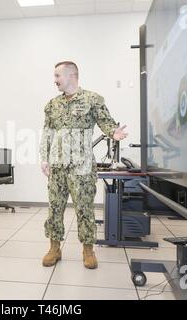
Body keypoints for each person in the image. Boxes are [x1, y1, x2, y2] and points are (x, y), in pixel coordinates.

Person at [39, 61, 128, 269]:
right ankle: (54, 248)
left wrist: (113, 132)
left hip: (82, 167)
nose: (55, 80)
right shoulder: (52, 104)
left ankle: (88, 250)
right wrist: (44, 158)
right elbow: (47, 132)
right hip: (58, 166)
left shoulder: (92, 99)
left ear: (72, 75)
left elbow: (106, 122)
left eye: (58, 76)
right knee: (55, 208)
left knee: (85, 209)